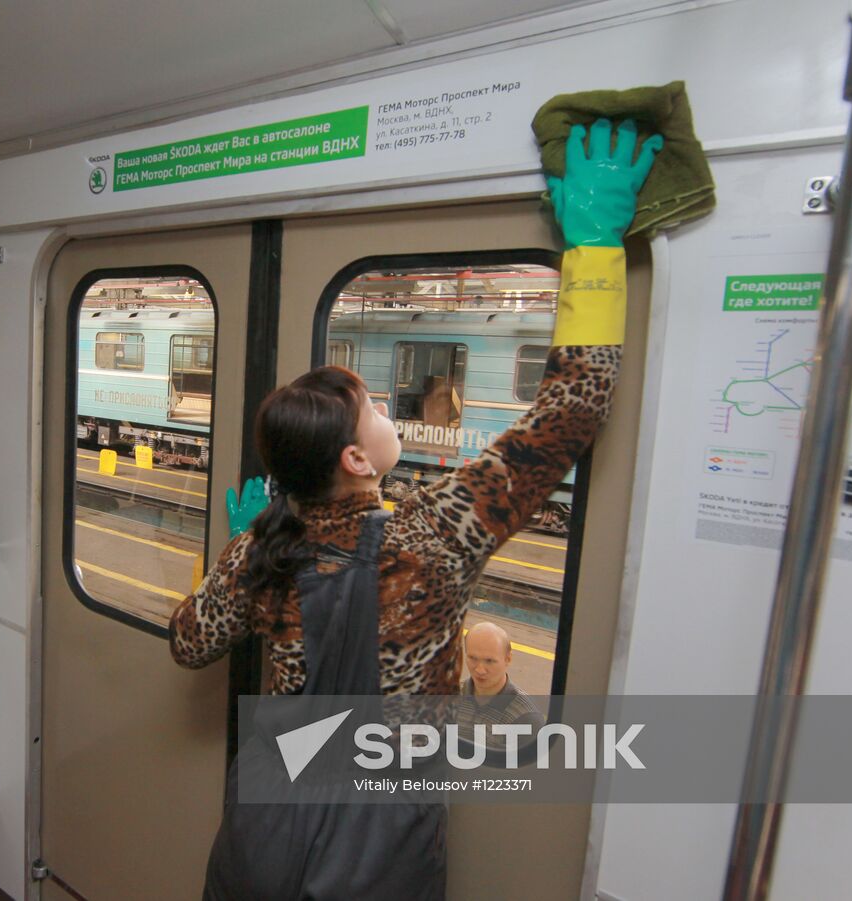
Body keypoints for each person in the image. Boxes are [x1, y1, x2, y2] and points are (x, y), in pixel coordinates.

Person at [169, 118, 661, 899]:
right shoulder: (435, 530)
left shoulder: (259, 550)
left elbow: (188, 642)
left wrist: (238, 554)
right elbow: (568, 416)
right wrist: (596, 251)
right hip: (382, 831)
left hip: (271, 825)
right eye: (371, 409)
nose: (385, 413)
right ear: (355, 460)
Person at [457, 621, 545, 737]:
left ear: (508, 659)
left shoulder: (526, 718)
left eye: (489, 661)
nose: (480, 670)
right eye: (473, 658)